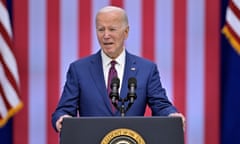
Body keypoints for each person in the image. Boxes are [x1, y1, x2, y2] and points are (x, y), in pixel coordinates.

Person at [52, 6, 185, 132]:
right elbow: (63, 110)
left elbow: (161, 106)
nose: (106, 35)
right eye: (101, 29)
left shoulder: (146, 69)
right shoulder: (79, 69)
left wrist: (171, 115)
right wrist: (62, 118)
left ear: (126, 32)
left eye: (112, 29)